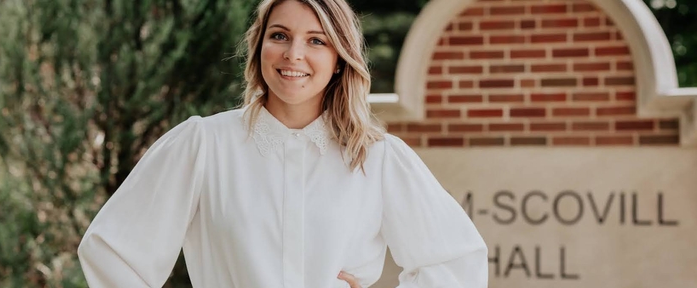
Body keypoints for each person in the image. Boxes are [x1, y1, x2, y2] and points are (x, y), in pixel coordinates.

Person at [77, 0, 488, 287]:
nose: (294, 54)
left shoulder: (377, 158)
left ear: (339, 58)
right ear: (259, 48)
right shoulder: (203, 145)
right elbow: (113, 251)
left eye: (316, 40)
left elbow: (456, 263)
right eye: (280, 35)